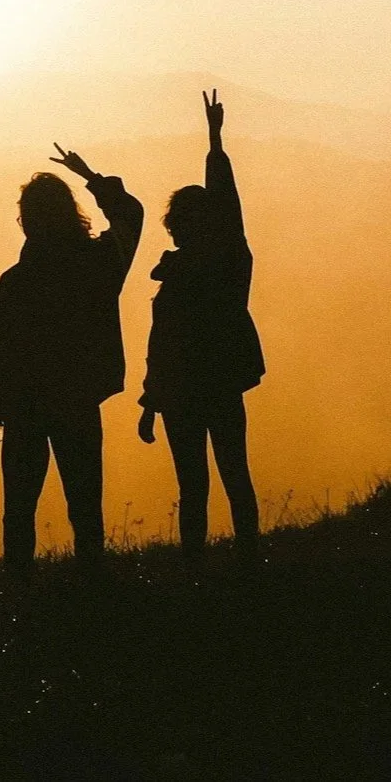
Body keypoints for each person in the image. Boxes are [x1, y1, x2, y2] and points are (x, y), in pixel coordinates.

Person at [0, 146, 144, 577]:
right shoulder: (101, 262)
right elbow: (131, 215)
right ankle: (91, 584)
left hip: (26, 405)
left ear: (26, 220)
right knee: (85, 501)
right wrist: (90, 175)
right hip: (78, 398)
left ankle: (18, 587)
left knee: (19, 507)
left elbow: (7, 352)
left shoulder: (16, 281)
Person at [136, 90, 263, 565]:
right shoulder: (231, 261)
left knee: (193, 485)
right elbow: (229, 206)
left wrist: (152, 401)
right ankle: (248, 560)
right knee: (234, 473)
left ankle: (195, 568)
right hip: (221, 384)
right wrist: (214, 142)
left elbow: (160, 347)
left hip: (182, 393)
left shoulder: (192, 271)